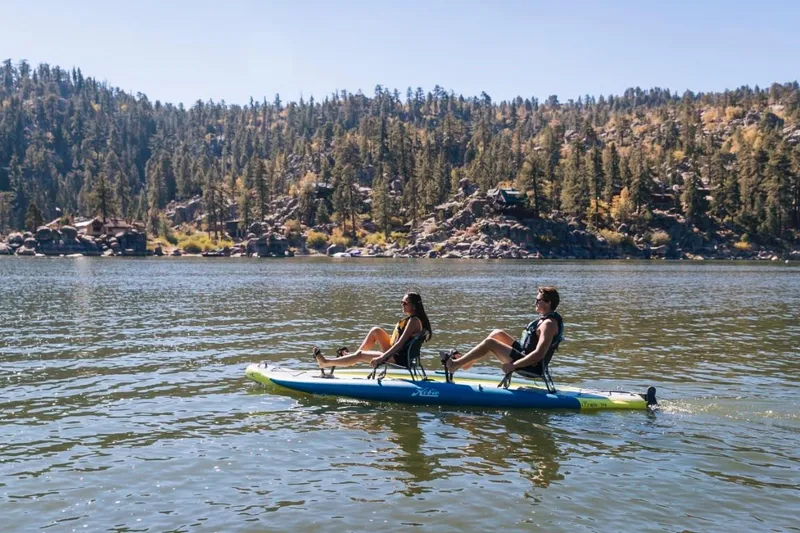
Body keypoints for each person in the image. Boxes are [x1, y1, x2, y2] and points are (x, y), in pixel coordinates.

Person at [443, 286, 563, 378]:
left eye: (538, 300)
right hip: (524, 355)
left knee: (490, 342)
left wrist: (514, 366)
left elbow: (538, 355)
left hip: (531, 366)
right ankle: (466, 363)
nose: (535, 303)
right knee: (497, 333)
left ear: (548, 303)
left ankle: (455, 365)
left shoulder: (549, 324)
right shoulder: (545, 320)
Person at [313, 292, 433, 370]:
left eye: (405, 303)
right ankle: (353, 358)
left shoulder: (414, 321)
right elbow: (399, 340)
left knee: (361, 355)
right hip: (398, 353)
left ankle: (325, 362)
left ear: (414, 305)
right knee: (376, 330)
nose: (402, 305)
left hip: (400, 359)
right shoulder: (414, 319)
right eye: (401, 302)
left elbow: (400, 344)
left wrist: (381, 358)